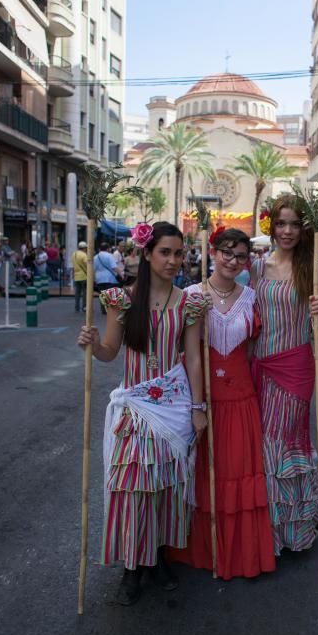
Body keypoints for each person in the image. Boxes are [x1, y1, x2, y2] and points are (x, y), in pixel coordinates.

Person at [77, 221, 207, 606]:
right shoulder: (121, 299)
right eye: (165, 252)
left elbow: (195, 358)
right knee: (133, 487)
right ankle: (133, 567)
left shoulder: (189, 303)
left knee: (167, 487)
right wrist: (93, 344)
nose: (173, 260)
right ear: (147, 254)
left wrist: (199, 409)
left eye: (178, 253)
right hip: (133, 410)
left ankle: (160, 558)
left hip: (175, 408)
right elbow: (109, 353)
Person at [173, 228, 276, 580]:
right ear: (212, 252)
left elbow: (252, 350)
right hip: (205, 401)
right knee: (206, 474)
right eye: (226, 253)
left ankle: (239, 554)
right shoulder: (190, 295)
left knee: (237, 474)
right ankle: (205, 549)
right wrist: (196, 406)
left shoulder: (253, 298)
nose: (233, 261)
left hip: (242, 401)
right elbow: (183, 354)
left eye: (241, 256)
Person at [250, 194, 318, 556]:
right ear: (271, 224)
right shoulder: (256, 267)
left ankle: (290, 532)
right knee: (262, 444)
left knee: (282, 444)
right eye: (281, 223)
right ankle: (265, 529)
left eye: (295, 224)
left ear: (304, 228)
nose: (287, 231)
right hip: (259, 366)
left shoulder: (314, 268)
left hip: (295, 366)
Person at [94, 242, 119, 313]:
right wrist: (120, 274)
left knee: (102, 294)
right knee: (110, 293)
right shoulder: (109, 256)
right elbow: (114, 267)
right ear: (108, 248)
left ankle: (103, 309)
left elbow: (93, 269)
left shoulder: (95, 257)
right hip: (109, 278)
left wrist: (94, 279)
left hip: (99, 278)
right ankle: (109, 309)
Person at [71, 241, 88, 312]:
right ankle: (84, 307)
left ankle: (76, 307)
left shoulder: (74, 254)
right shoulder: (84, 255)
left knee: (77, 293)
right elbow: (87, 264)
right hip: (84, 276)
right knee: (85, 293)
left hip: (76, 276)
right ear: (84, 248)